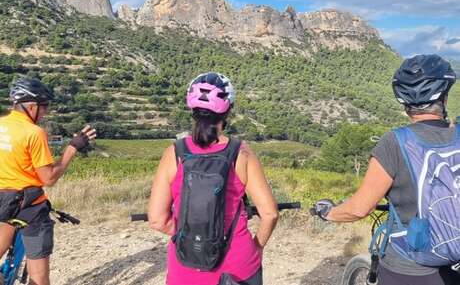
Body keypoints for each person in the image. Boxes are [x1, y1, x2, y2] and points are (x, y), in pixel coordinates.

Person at [312, 54, 460, 285]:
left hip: (411, 268)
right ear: (445, 95)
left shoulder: (395, 142)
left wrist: (328, 213)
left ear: (403, 101)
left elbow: (359, 209)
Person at [148, 72, 278, 285]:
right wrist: (257, 246)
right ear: (228, 110)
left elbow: (156, 219)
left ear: (192, 109)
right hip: (238, 264)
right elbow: (270, 213)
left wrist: (187, 234)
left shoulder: (174, 153)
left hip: (185, 266)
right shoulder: (242, 153)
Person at [0, 76, 96, 285]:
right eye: (44, 106)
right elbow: (49, 178)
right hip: (28, 207)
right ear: (32, 106)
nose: (46, 112)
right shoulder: (33, 132)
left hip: (2, 202)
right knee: (39, 276)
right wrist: (73, 147)